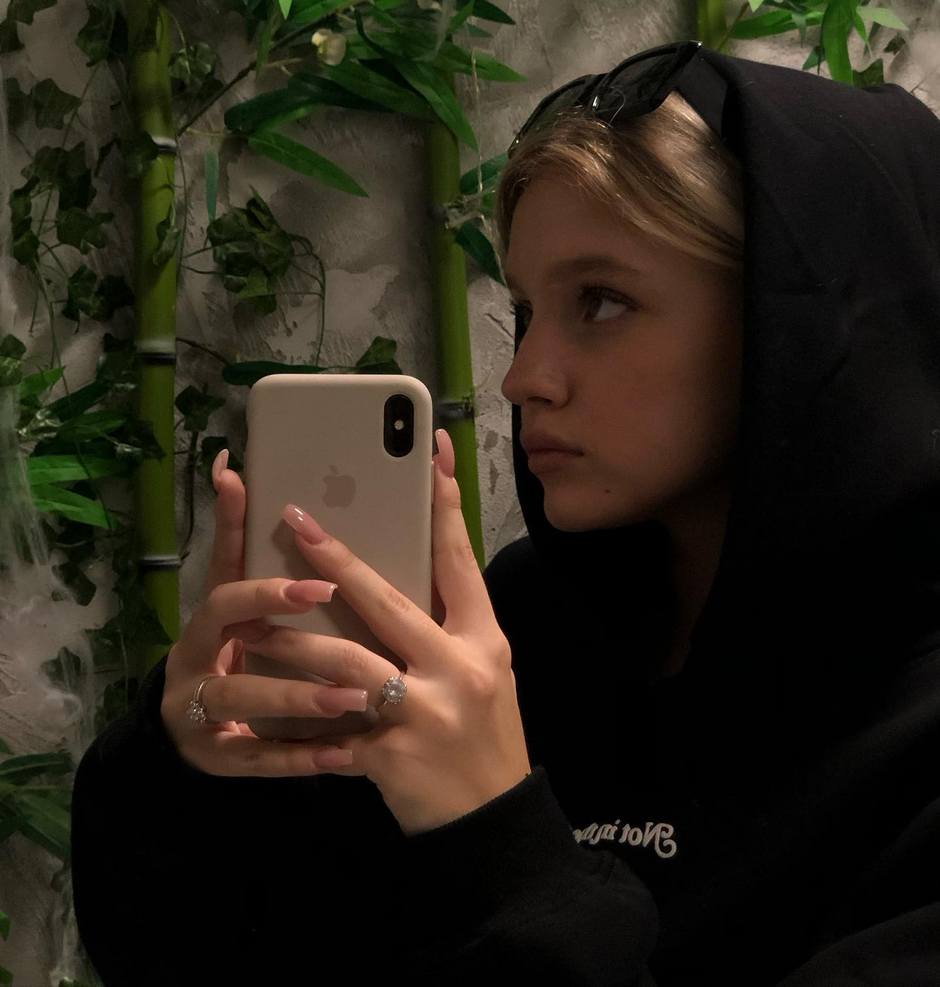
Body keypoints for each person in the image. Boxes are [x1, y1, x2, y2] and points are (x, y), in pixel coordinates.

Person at [69, 40, 940, 985]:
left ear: (802, 322)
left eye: (601, 302)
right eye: (526, 309)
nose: (524, 377)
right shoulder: (526, 623)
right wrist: (185, 763)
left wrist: (498, 836)